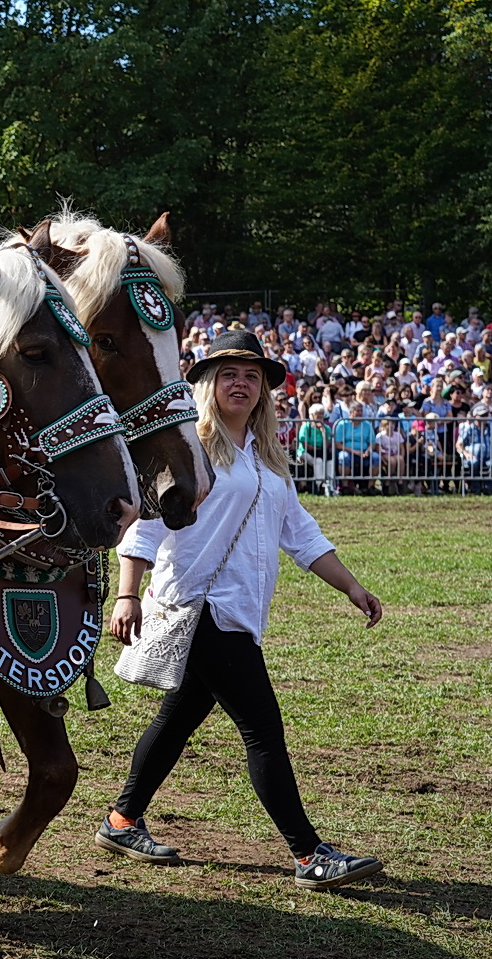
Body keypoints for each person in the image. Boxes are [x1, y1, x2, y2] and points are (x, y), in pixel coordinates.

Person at [98, 330, 386, 891]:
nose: (241, 383)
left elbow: (299, 532)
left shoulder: (267, 460)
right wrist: (127, 593)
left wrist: (351, 586)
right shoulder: (190, 450)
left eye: (252, 375)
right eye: (229, 373)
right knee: (262, 731)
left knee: (177, 719)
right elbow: (146, 527)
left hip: (238, 612)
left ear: (264, 391)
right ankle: (309, 854)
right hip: (201, 606)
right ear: (207, 385)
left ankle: (122, 819)